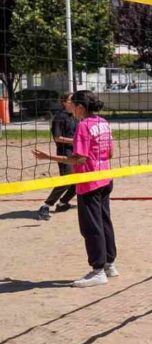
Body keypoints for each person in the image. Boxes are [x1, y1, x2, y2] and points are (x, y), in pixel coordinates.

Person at [32, 90, 118, 288]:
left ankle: (97, 270)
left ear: (80, 107)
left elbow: (79, 158)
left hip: (88, 181)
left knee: (91, 226)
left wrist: (49, 158)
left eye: (73, 105)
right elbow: (110, 153)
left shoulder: (83, 126)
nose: (71, 108)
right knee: (104, 221)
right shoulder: (103, 123)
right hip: (105, 177)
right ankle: (110, 264)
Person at [36, 93, 78, 220]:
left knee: (81, 180)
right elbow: (57, 138)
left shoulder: (76, 116)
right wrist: (76, 141)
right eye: (71, 100)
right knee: (66, 180)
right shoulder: (59, 118)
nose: (74, 102)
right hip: (65, 152)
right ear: (64, 102)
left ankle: (63, 203)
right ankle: (46, 206)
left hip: (77, 151)